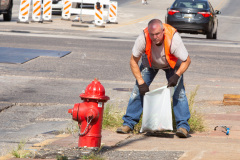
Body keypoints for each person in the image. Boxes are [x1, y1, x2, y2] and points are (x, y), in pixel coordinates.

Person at [116, 19, 191, 138]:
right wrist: (141, 82)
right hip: (150, 64)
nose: (155, 37)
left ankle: (183, 126)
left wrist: (177, 75)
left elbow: (187, 60)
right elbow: (133, 61)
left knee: (179, 93)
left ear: (163, 31)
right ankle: (128, 123)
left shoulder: (173, 38)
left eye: (157, 34)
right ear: (148, 32)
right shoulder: (143, 38)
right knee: (137, 91)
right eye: (152, 34)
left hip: (170, 65)